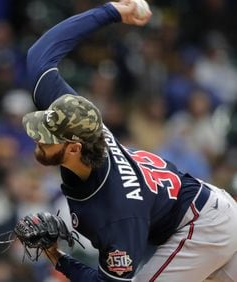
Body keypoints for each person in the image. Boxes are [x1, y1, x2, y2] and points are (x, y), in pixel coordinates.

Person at [21, 0, 237, 281]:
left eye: (47, 137)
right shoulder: (84, 124)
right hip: (207, 214)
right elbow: (39, 55)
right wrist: (111, 11)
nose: (37, 136)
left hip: (200, 228)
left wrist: (57, 258)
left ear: (74, 148)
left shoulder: (117, 209)